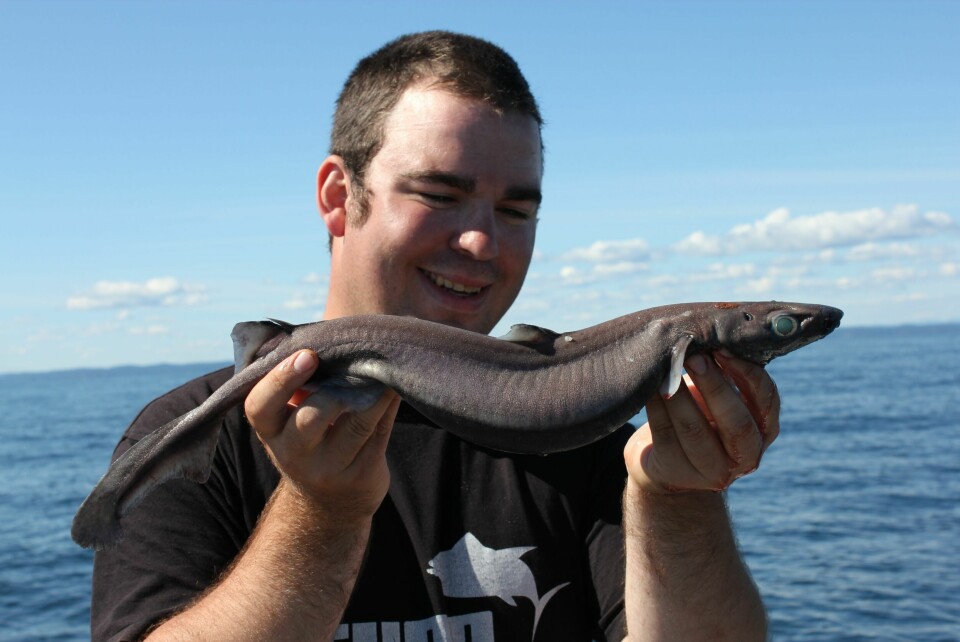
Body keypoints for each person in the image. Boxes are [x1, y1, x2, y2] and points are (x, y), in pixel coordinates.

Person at [91, 31, 775, 641]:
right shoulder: (198, 437)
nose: (482, 240)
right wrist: (320, 518)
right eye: (438, 196)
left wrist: (680, 502)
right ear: (337, 196)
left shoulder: (587, 443)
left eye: (515, 209)